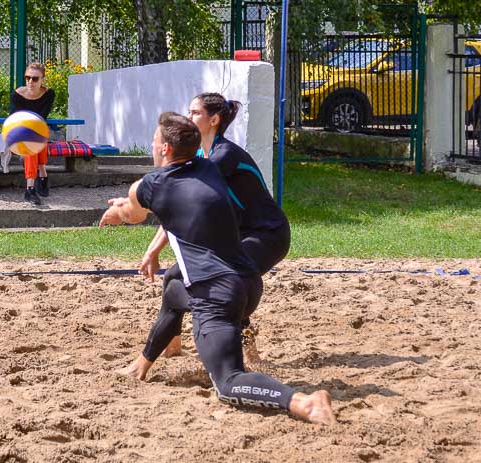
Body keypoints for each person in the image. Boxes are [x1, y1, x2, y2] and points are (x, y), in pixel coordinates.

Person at [99, 112, 335, 425]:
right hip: (248, 281)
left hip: (217, 292)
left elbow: (134, 214)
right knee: (173, 285)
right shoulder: (207, 167)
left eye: (155, 141)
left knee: (228, 382)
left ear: (166, 149)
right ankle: (142, 364)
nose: (152, 146)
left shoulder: (151, 184)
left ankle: (305, 403)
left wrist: (119, 212)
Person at [136, 93, 291, 364]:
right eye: (189, 111)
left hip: (268, 234)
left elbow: (178, 203)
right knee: (175, 273)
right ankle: (172, 339)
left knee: (231, 278)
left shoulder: (224, 156)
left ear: (214, 120)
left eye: (195, 112)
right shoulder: (199, 157)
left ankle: (244, 348)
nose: (189, 116)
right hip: (241, 234)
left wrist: (152, 249)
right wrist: (153, 250)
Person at [9, 62, 55, 205]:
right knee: (31, 141)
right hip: (18, 132)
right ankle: (37, 181)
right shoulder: (17, 95)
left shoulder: (48, 94)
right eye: (28, 77)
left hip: (38, 129)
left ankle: (33, 185)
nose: (30, 81)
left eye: (35, 78)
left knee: (35, 138)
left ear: (42, 80)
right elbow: (15, 119)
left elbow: (42, 117)